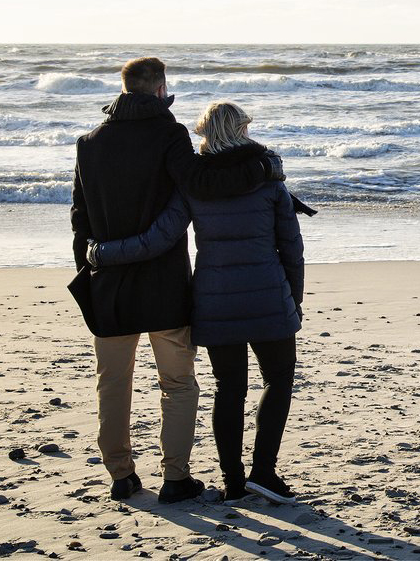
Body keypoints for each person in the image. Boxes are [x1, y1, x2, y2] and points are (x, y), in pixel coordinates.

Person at [70, 57, 284, 503]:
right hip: (164, 285)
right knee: (178, 384)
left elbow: (80, 219)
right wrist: (263, 168)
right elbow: (201, 182)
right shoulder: (169, 134)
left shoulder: (89, 143)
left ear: (123, 87)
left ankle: (122, 475)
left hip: (107, 284)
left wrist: (89, 273)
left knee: (112, 383)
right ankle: (175, 477)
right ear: (161, 86)